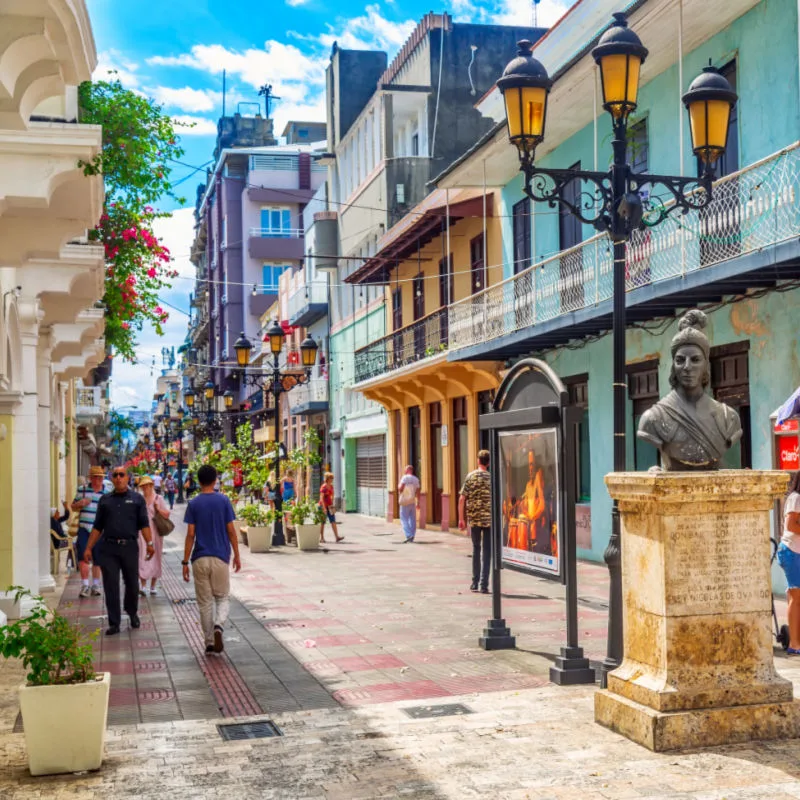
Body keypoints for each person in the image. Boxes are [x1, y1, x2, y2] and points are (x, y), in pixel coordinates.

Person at [638, 309, 742, 470]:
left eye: (695, 360)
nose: (687, 367)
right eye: (680, 360)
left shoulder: (729, 419)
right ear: (673, 366)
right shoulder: (654, 418)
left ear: (706, 365)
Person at [83, 466, 154, 636]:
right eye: (115, 475)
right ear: (112, 479)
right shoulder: (105, 500)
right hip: (109, 548)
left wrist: (150, 543)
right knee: (111, 585)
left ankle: (132, 612)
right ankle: (114, 622)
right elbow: (97, 527)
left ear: (128, 478)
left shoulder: (137, 500)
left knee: (132, 583)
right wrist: (88, 547)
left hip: (129, 547)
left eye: (122, 475)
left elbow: (144, 524)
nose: (119, 478)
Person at [182, 465, 241, 654]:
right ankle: (219, 626)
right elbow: (231, 530)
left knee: (205, 602)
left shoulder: (193, 503)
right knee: (222, 597)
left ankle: (209, 642)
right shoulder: (223, 500)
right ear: (215, 480)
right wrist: (237, 554)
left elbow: (190, 534)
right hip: (220, 557)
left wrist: (184, 561)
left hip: (199, 558)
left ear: (198, 482)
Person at [459, 450, 492, 594]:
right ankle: (484, 584)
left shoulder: (470, 477)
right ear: (488, 462)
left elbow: (462, 499)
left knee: (476, 549)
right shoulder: (492, 478)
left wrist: (461, 519)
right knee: (487, 551)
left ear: (478, 461)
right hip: (489, 520)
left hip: (474, 519)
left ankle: (475, 582)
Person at [71, 465, 106, 598]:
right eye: (96, 477)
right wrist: (80, 503)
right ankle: (85, 585)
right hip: (84, 529)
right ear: (90, 478)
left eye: (100, 478)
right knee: (83, 557)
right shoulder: (82, 490)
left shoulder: (106, 493)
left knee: (98, 558)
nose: (98, 480)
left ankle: (96, 585)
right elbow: (73, 507)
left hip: (100, 531)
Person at [778, 471, 800, 654]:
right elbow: (791, 526)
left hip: (796, 552)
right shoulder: (795, 498)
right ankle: (794, 644)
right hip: (792, 552)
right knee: (796, 596)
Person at [138, 476, 170, 596]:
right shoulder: (140, 499)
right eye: (143, 486)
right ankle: (143, 586)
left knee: (156, 557)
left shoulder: (158, 498)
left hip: (156, 532)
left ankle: (153, 586)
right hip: (142, 532)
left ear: (151, 486)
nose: (145, 487)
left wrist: (157, 509)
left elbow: (167, 514)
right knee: (142, 557)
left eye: (147, 485)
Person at [397, 465, 420, 543]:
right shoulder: (416, 479)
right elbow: (418, 492)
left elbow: (401, 488)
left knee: (404, 518)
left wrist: (399, 490)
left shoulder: (405, 478)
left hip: (404, 501)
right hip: (412, 501)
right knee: (412, 519)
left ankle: (408, 534)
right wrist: (418, 502)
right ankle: (412, 535)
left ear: (406, 471)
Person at [319, 472, 343, 543]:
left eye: (332, 478)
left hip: (330, 506)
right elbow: (321, 498)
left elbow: (332, 495)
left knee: (333, 521)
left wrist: (332, 505)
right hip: (323, 506)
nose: (332, 479)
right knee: (322, 522)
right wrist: (323, 508)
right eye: (331, 478)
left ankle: (337, 537)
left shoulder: (331, 486)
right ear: (327, 479)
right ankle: (322, 538)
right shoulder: (323, 487)